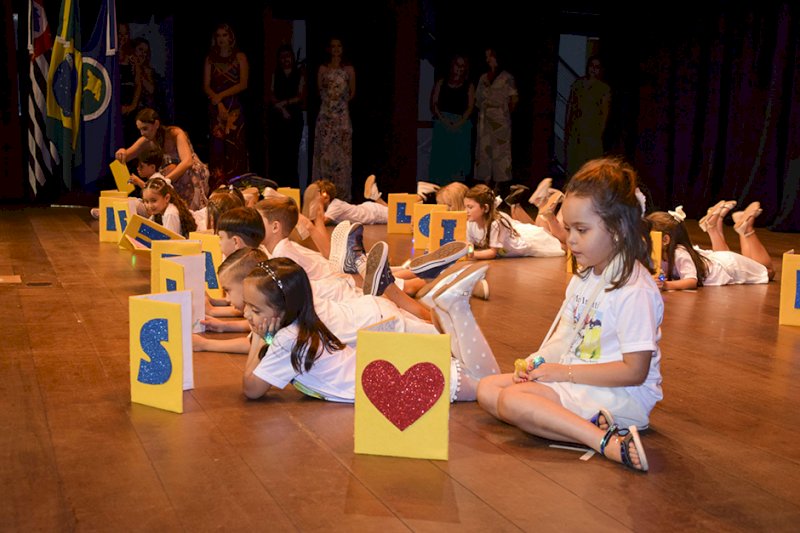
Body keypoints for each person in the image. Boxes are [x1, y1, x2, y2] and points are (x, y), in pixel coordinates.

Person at [476, 157, 663, 472]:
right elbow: (565, 336)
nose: (571, 239)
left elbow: (635, 373)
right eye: (568, 229)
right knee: (487, 389)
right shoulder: (585, 277)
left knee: (512, 401)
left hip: (621, 395)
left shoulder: (635, 289)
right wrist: (536, 363)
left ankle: (605, 441)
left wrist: (562, 373)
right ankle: (589, 422)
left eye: (582, 230)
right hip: (579, 378)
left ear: (617, 230)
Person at [242, 256, 501, 402]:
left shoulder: (289, 338)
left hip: (400, 384)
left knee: (489, 384)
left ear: (284, 309)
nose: (246, 315)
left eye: (255, 310)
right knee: (492, 381)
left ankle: (457, 307)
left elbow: (252, 389)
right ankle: (448, 306)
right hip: (396, 372)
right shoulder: (301, 326)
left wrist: (257, 336)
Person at [646, 202, 774, 290]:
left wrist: (666, 285)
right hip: (719, 261)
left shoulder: (679, 253)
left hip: (730, 267)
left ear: (665, 240)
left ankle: (747, 230)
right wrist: (659, 279)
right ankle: (724, 227)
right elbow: (662, 274)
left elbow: (691, 281)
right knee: (756, 266)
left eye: (648, 236)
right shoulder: (658, 253)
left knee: (768, 272)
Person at [116, 108, 210, 211]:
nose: (142, 133)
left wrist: (165, 181)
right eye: (140, 130)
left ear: (156, 124)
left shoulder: (175, 133)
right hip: (171, 178)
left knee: (190, 210)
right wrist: (121, 152)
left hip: (191, 175)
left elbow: (187, 162)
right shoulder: (146, 140)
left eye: (145, 128)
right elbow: (125, 156)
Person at [204, 23, 250, 189]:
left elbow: (243, 83)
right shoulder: (211, 59)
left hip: (234, 108)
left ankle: (237, 186)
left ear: (230, 37)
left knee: (235, 148)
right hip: (216, 108)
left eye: (224, 35)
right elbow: (206, 85)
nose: (221, 39)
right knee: (217, 149)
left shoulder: (240, 57)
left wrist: (220, 96)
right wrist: (217, 102)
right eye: (218, 35)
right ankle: (218, 187)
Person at [464, 184, 565, 259]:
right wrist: (468, 251)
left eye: (470, 207)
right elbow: (469, 244)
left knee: (562, 245)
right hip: (514, 238)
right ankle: (539, 206)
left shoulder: (495, 224)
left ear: (485, 208)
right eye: (465, 207)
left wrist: (471, 254)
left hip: (527, 244)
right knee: (543, 229)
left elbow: (492, 252)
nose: (466, 211)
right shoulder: (470, 223)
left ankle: (545, 206)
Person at [312, 37, 355, 201]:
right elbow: (320, 90)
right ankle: (323, 195)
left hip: (341, 116)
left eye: (339, 46)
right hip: (326, 116)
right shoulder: (323, 69)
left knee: (342, 156)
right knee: (325, 155)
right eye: (333, 46)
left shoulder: (348, 69)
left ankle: (342, 196)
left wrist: (339, 106)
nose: (336, 49)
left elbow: (352, 92)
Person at [474, 47, 518, 192]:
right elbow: (477, 98)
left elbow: (514, 98)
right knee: (484, 150)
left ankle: (498, 185)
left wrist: (504, 114)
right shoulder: (483, 77)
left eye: (490, 56)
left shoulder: (507, 77)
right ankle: (486, 183)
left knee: (501, 151)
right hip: (485, 119)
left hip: (500, 119)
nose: (488, 60)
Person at [428, 54, 475, 186]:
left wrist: (458, 123)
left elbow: (470, 107)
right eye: (457, 65)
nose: (459, 69)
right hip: (442, 124)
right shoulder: (441, 82)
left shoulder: (468, 85)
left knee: (458, 159)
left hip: (461, 125)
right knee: (441, 158)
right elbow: (434, 103)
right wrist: (444, 121)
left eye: (463, 66)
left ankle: (456, 188)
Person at [565, 56, 611, 179]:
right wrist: (568, 128)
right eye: (591, 66)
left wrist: (598, 133)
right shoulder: (578, 84)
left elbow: (604, 112)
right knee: (574, 165)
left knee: (591, 167)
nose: (593, 69)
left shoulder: (603, 88)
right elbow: (570, 106)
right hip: (576, 132)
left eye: (597, 67)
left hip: (592, 134)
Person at [269, 44, 306, 188]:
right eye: (282, 57)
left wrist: (285, 103)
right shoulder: (275, 74)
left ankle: (293, 188)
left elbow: (300, 95)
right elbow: (271, 94)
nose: (286, 60)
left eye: (288, 56)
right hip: (278, 117)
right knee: (278, 154)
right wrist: (280, 107)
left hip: (293, 117)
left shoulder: (299, 74)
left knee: (292, 155)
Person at [118, 23, 142, 145]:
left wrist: (133, 106)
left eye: (125, 34)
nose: (122, 37)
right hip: (113, 106)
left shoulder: (132, 58)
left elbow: (138, 85)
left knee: (129, 140)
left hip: (129, 106)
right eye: (119, 34)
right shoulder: (108, 56)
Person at [131, 38, 165, 119]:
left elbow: (151, 90)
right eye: (140, 50)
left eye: (145, 52)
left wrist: (138, 68)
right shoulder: (125, 70)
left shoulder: (149, 72)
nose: (143, 54)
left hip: (146, 115)